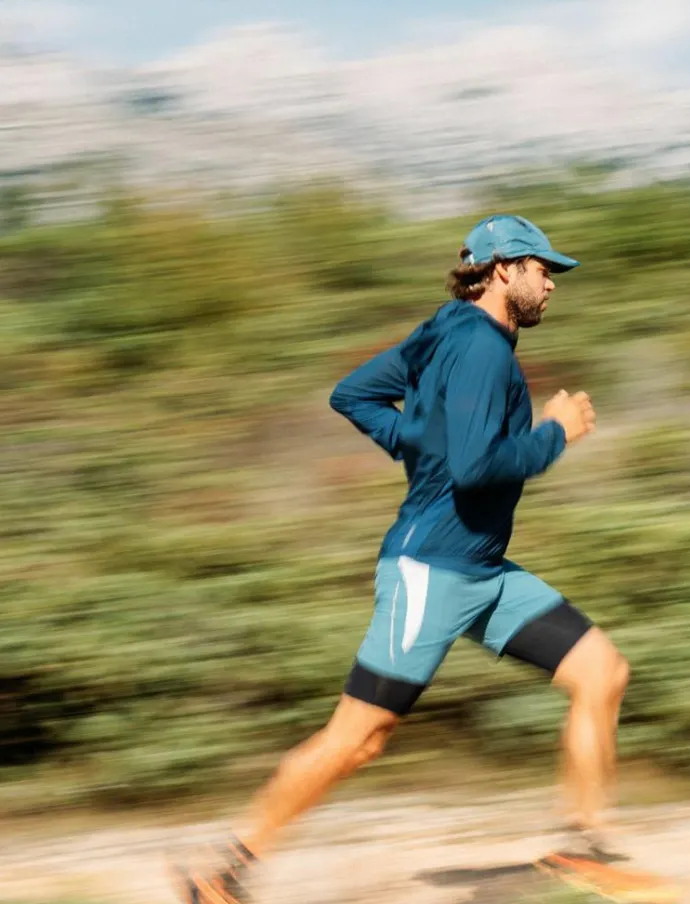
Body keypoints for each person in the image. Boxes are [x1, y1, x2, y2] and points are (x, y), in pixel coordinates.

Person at [174, 214, 632, 904]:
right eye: (542, 269)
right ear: (502, 268)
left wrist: (416, 442)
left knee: (601, 672)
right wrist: (554, 435)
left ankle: (581, 848)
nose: (551, 284)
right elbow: (478, 468)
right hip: (432, 572)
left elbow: (352, 394)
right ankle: (225, 872)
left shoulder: (443, 330)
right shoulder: (482, 351)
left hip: (481, 571)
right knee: (358, 738)